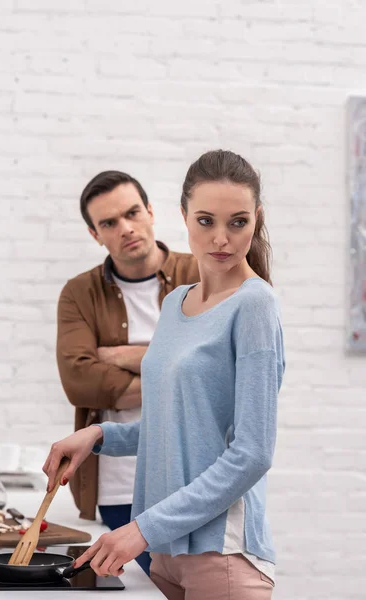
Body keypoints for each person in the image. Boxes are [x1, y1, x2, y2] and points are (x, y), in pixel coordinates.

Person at [45, 150, 285, 600]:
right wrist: (98, 435)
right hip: (166, 553)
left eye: (238, 222)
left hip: (220, 554)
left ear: (257, 219)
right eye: (206, 220)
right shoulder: (177, 303)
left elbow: (252, 453)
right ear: (183, 216)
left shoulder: (255, 304)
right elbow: (176, 423)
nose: (221, 239)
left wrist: (141, 529)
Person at [56, 170, 199, 575]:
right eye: (108, 223)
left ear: (151, 211)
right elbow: (79, 380)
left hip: (193, 480)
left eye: (132, 212)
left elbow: (216, 372)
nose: (126, 228)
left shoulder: (202, 276)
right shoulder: (79, 293)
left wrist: (119, 355)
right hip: (118, 484)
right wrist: (174, 369)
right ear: (94, 234)